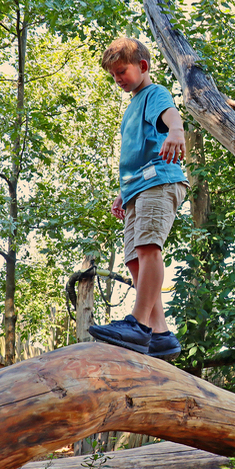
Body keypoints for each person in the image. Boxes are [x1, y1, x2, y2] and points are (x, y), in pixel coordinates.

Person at [88, 38, 188, 360]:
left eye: (122, 71)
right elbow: (135, 154)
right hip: (135, 189)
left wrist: (177, 132)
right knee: (134, 259)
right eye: (113, 75)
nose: (118, 78)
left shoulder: (154, 94)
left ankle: (139, 325)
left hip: (158, 181)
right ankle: (159, 334)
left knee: (148, 249)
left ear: (142, 67)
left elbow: (172, 116)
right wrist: (122, 193)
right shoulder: (131, 107)